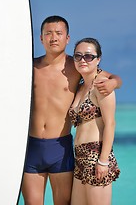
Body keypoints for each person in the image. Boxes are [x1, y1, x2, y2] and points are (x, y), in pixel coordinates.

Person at [21, 16, 122, 205]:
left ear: (67, 38)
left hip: (61, 148)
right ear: (41, 38)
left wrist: (114, 82)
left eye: (59, 33)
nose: (53, 38)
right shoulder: (30, 67)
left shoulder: (75, 67)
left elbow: (112, 77)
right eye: (48, 33)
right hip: (31, 146)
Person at [69, 37, 120, 205]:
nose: (83, 60)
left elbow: (110, 124)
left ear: (98, 59)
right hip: (80, 159)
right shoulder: (80, 86)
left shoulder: (102, 85)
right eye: (78, 56)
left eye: (89, 56)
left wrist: (103, 161)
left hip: (96, 156)